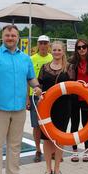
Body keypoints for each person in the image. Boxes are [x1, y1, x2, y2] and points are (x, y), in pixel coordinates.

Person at [0, 25, 42, 174]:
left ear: (18, 38)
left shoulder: (25, 58)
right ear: (2, 36)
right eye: (7, 35)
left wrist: (37, 87)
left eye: (13, 35)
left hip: (19, 109)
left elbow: (31, 78)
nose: (10, 38)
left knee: (15, 144)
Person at [38, 41, 75, 174]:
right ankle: (48, 168)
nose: (57, 52)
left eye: (59, 50)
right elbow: (39, 85)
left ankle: (57, 168)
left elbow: (73, 87)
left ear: (63, 51)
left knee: (60, 137)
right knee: (46, 138)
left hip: (63, 106)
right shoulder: (44, 67)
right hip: (47, 108)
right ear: (50, 51)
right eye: (54, 50)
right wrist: (37, 92)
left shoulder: (69, 68)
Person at [69, 39, 88, 162]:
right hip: (74, 97)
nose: (81, 49)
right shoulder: (72, 62)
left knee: (87, 125)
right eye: (79, 47)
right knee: (75, 124)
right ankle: (75, 151)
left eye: (84, 46)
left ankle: (87, 150)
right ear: (76, 49)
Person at [28, 35, 52, 163]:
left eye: (45, 43)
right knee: (36, 126)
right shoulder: (31, 59)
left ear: (49, 44)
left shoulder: (53, 58)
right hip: (35, 97)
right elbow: (27, 79)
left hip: (50, 96)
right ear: (37, 44)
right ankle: (38, 150)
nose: (43, 45)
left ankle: (52, 150)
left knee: (51, 124)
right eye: (41, 43)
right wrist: (27, 98)